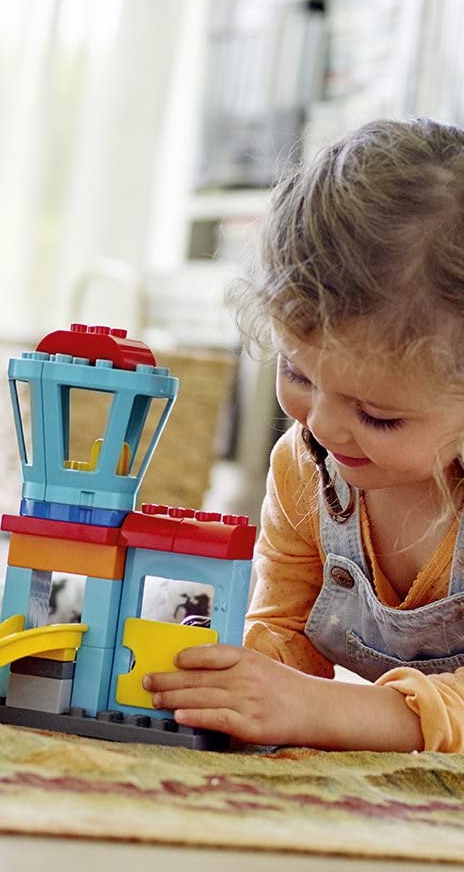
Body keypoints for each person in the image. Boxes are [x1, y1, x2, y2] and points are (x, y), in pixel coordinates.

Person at [144, 118, 464, 752]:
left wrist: (331, 710)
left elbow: (317, 704)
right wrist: (234, 684)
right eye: (297, 373)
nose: (320, 425)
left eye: (379, 415)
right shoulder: (306, 466)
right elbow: (282, 631)